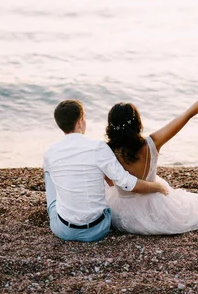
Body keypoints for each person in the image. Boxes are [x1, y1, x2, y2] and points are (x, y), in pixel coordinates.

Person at [105, 85, 198, 235]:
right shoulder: (152, 143)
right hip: (156, 210)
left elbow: (111, 183)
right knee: (194, 206)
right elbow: (188, 114)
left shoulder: (105, 151)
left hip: (125, 217)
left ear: (110, 127)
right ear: (137, 123)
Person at [43, 99, 168, 242]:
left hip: (64, 230)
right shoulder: (98, 148)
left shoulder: (49, 152)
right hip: (98, 229)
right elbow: (127, 183)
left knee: (49, 173)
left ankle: (65, 207)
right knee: (95, 171)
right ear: (79, 122)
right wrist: (157, 186)